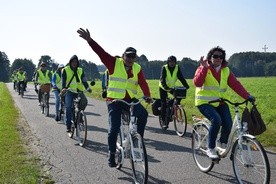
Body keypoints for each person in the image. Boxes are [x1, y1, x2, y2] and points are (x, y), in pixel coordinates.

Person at [77, 28, 152, 167]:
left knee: (143, 114)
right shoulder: (113, 63)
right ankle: (112, 153)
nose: (130, 59)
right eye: (128, 56)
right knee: (113, 129)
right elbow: (101, 53)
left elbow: (143, 83)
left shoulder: (137, 68)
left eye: (133, 57)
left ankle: (137, 139)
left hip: (130, 100)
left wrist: (147, 95)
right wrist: (90, 40)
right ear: (123, 55)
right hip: (114, 101)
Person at [193, 46, 255, 159]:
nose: (218, 59)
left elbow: (235, 84)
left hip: (220, 102)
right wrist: (204, 68)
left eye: (221, 57)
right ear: (210, 57)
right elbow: (197, 83)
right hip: (204, 102)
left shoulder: (225, 70)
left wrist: (247, 96)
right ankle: (210, 148)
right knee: (216, 120)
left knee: (228, 124)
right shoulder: (203, 68)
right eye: (215, 56)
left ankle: (222, 143)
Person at [61, 55, 92, 133]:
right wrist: (64, 88)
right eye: (73, 62)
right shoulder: (65, 70)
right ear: (70, 62)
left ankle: (80, 116)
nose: (74, 63)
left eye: (76, 62)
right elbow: (63, 81)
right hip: (69, 91)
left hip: (79, 91)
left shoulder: (80, 70)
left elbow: (84, 80)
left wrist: (88, 88)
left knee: (84, 101)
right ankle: (68, 126)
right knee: (68, 107)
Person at [159, 56, 190, 128]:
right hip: (163, 87)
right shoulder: (164, 67)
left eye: (173, 62)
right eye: (170, 62)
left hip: (171, 87)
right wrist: (166, 87)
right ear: (168, 62)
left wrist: (186, 86)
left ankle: (171, 106)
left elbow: (181, 77)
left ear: (175, 62)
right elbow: (162, 79)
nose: (172, 63)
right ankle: (163, 121)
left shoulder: (177, 68)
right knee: (163, 103)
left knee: (179, 98)